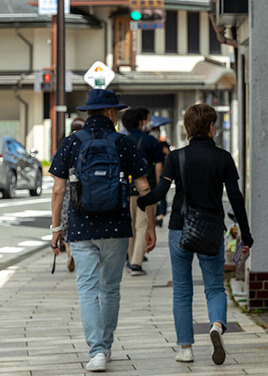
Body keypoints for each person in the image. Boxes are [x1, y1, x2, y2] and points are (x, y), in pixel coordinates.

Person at [50, 89, 156, 373]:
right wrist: (151, 227)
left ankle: (95, 351)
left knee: (87, 288)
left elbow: (59, 189)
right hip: (116, 226)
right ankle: (105, 348)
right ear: (111, 112)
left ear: (88, 113)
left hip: (81, 226)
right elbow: (144, 187)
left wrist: (56, 229)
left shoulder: (72, 142)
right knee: (110, 288)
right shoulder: (123, 143)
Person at [138, 103, 253, 365]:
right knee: (214, 287)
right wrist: (246, 234)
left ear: (187, 128)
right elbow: (236, 199)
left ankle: (186, 348)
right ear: (212, 127)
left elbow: (158, 194)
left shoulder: (175, 157)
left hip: (181, 228)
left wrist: (141, 204)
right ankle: (215, 326)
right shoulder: (223, 158)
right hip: (211, 230)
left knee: (182, 290)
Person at [121, 107, 164, 276]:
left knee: (130, 227)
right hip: (146, 190)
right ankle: (136, 263)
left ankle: (131, 259)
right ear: (140, 122)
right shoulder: (151, 141)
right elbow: (159, 167)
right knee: (142, 225)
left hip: (126, 190)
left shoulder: (122, 141)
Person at [66, 115, 86, 274]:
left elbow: (54, 171)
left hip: (66, 189)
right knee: (78, 220)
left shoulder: (66, 143)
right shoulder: (87, 142)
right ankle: (76, 251)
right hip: (82, 188)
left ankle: (69, 251)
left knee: (66, 223)